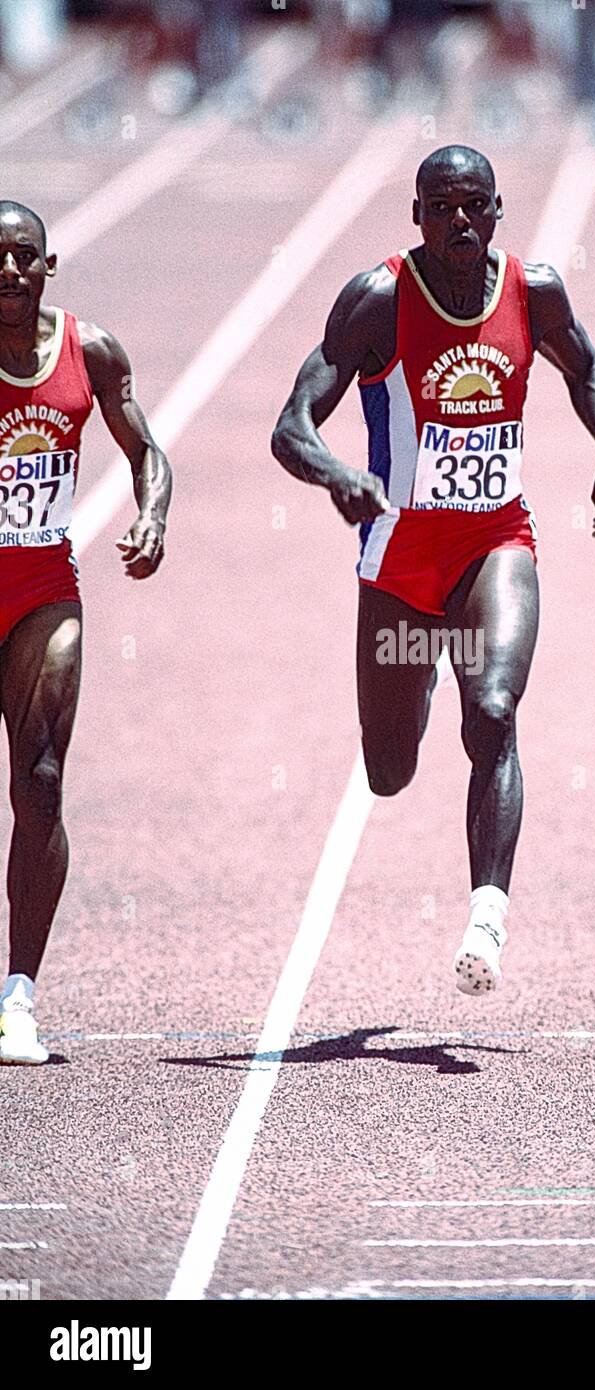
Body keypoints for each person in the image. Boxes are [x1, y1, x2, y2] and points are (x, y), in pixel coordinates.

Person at [271, 145, 595, 995]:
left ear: (498, 210)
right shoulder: (378, 300)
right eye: (442, 206)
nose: (460, 221)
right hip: (398, 567)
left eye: (474, 205)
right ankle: (422, 672)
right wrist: (337, 473)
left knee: (496, 710)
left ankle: (486, 919)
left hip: (494, 543)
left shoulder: (533, 290)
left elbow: (588, 371)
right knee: (388, 769)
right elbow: (291, 423)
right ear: (417, 215)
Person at [0, 201, 171, 1063]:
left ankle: (18, 996)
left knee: (39, 784)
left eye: (23, 256)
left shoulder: (89, 352)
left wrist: (153, 515)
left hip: (40, 588)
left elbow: (145, 450)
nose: (9, 270)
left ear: (48, 265)